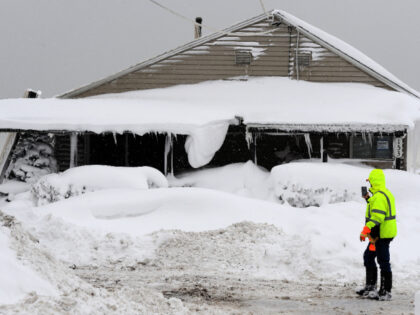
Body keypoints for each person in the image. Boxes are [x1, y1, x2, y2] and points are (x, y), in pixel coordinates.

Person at [356, 169, 397, 301]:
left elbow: (377, 217)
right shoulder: (381, 194)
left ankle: (385, 291)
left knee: (383, 261)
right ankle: (371, 287)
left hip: (382, 234)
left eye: (371, 181)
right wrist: (368, 199)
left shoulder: (379, 196)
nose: (370, 184)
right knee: (368, 256)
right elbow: (376, 207)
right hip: (378, 233)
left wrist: (365, 230)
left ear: (374, 181)